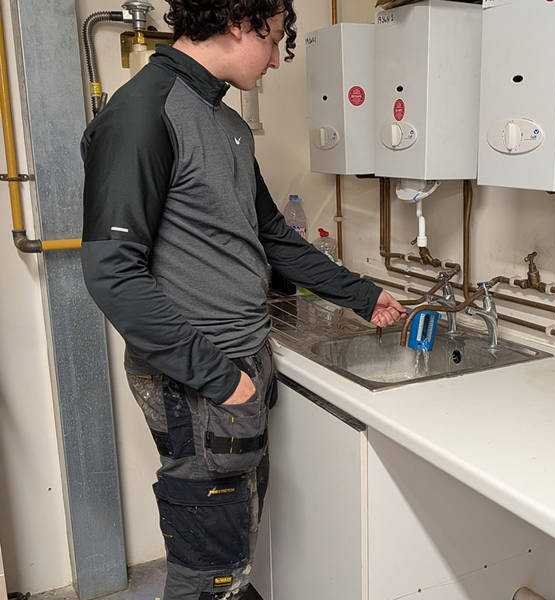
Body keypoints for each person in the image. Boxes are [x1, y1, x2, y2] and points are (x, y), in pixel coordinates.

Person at [80, 1, 407, 598]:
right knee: (209, 568)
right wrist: (221, 378)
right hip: (200, 374)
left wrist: (361, 294)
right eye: (275, 38)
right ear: (238, 23)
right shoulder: (143, 114)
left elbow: (271, 234)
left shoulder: (223, 120)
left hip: (241, 357)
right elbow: (112, 273)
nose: (277, 59)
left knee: (234, 540)